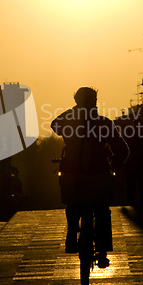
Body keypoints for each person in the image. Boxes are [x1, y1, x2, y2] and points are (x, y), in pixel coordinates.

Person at [51, 87, 129, 267]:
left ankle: (72, 236)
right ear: (95, 102)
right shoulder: (104, 123)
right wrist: (115, 164)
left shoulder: (69, 121)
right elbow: (123, 149)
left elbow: (54, 125)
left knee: (72, 205)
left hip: (73, 174)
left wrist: (73, 112)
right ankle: (102, 249)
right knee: (102, 210)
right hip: (99, 175)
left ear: (77, 102)